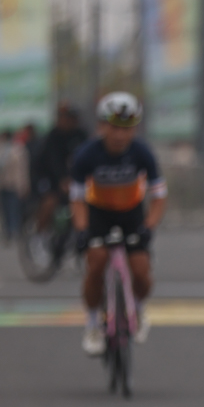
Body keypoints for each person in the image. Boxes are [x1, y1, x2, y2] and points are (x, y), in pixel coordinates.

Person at [70, 92, 167, 356]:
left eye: (126, 129)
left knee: (141, 271)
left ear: (135, 128)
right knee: (96, 262)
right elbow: (77, 199)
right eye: (113, 127)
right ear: (102, 126)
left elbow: (159, 196)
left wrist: (149, 226)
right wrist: (81, 229)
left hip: (131, 214)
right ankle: (92, 323)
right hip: (99, 214)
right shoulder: (87, 154)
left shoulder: (143, 153)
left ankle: (137, 307)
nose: (119, 136)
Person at [35, 103, 89, 233]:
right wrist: (62, 179)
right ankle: (40, 233)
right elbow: (53, 162)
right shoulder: (52, 137)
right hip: (48, 177)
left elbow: (87, 159)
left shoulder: (81, 135)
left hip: (74, 178)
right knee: (50, 202)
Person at [0, 129, 30, 244]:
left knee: (14, 209)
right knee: (3, 209)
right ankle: (6, 231)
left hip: (14, 185)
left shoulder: (18, 150)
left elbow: (22, 170)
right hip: (1, 185)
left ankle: (14, 231)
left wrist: (23, 185)